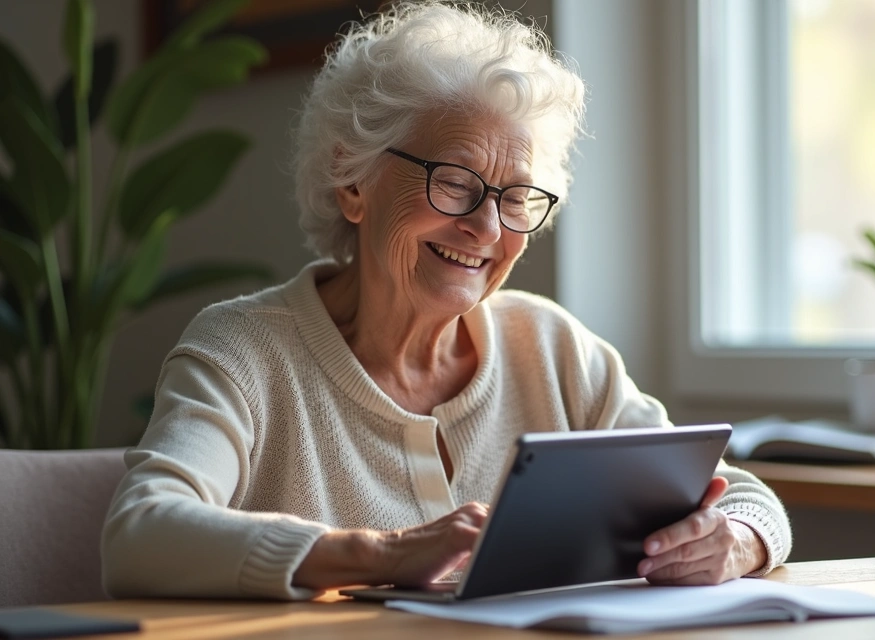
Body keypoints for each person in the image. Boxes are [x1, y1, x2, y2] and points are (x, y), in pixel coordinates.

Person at [101, 1, 792, 600]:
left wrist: (733, 540)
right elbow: (139, 534)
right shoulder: (245, 351)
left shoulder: (551, 348)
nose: (487, 229)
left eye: (515, 197)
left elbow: (742, 497)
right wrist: (380, 555)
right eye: (456, 183)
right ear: (353, 181)